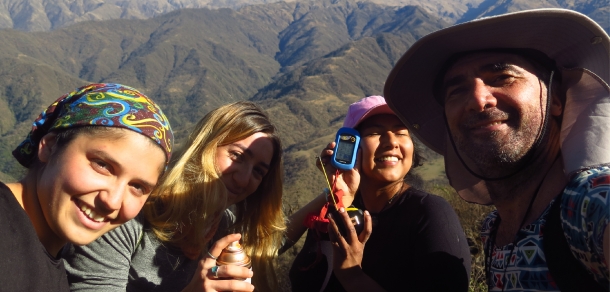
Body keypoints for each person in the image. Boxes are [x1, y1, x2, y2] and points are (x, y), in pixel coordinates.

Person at [384, 8, 609, 291]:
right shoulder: (494, 231)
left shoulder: (591, 203)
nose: (478, 100)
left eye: (503, 77)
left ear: (556, 100)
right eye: (457, 91)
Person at [63, 101, 285, 292]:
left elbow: (274, 239)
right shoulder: (128, 212)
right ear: (205, 146)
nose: (244, 179)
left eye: (258, 171)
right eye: (237, 156)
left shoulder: (223, 226)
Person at [286, 95, 471, 291]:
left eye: (401, 132)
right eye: (374, 132)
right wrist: (340, 199)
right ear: (352, 150)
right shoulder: (337, 211)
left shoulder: (430, 213)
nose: (391, 142)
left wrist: (353, 276)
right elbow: (306, 283)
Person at [1, 83, 173, 291]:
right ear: (49, 147)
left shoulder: (45, 261)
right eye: (102, 165)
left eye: (137, 187)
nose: (113, 201)